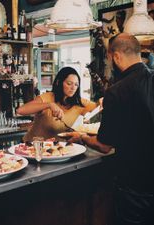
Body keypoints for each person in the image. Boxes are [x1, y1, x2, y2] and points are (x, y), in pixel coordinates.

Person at [66, 33, 154, 225]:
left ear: (116, 56)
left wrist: (81, 137)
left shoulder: (117, 91)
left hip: (134, 186)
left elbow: (104, 145)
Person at [16, 66, 100, 142]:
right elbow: (21, 110)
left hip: (57, 149)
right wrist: (49, 105)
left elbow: (99, 107)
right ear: (59, 82)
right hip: (33, 147)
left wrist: (103, 101)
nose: (73, 88)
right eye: (69, 83)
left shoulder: (80, 103)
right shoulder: (47, 98)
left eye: (76, 85)